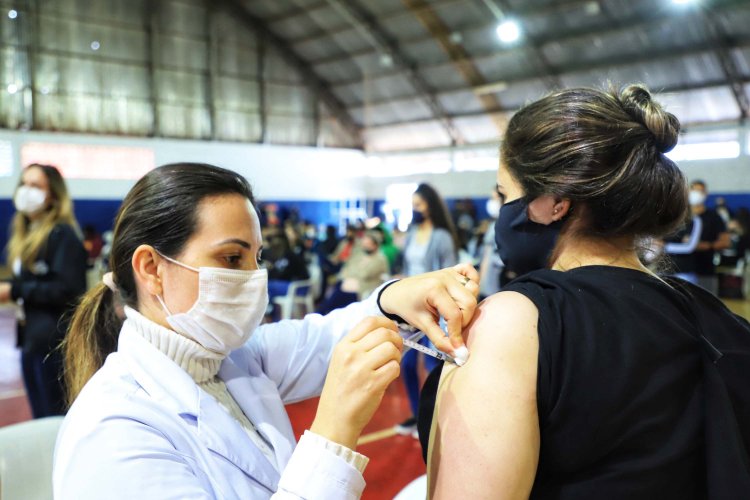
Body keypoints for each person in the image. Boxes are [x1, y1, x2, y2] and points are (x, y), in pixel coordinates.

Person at [54, 163, 478, 499]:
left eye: (257, 258)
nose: (253, 278)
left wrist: (396, 298)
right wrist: (332, 433)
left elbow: (322, 338)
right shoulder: (111, 435)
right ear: (152, 268)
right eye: (232, 259)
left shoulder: (229, 357)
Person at [419, 85, 750, 498]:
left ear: (554, 202)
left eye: (506, 194)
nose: (502, 210)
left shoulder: (514, 321)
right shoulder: (713, 317)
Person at [0, 164, 87, 418]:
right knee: (40, 412)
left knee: (54, 415)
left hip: (53, 341)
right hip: (30, 338)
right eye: (24, 184)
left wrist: (13, 290)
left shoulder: (63, 235)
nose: (27, 191)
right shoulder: (26, 234)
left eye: (36, 186)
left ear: (53, 195)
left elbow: (67, 289)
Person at [396, 183, 459, 438]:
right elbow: (407, 267)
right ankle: (417, 413)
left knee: (434, 363)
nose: (415, 210)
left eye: (419, 205)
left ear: (430, 206)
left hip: (434, 308)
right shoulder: (412, 233)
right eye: (412, 205)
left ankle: (437, 418)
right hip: (411, 309)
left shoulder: (442, 237)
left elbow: (450, 273)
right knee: (408, 364)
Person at [669, 180, 731, 294]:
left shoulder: (714, 216)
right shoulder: (677, 215)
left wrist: (706, 245)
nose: (696, 194)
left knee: (707, 307)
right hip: (678, 270)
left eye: (700, 191)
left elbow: (726, 242)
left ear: (706, 193)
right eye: (693, 190)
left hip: (705, 270)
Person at [317, 230, 389, 315]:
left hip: (365, 288)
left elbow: (364, 274)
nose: (364, 246)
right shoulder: (360, 254)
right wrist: (347, 278)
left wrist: (351, 277)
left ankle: (323, 312)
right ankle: (324, 312)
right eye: (364, 243)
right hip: (349, 283)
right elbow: (347, 268)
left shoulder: (380, 259)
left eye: (367, 244)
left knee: (337, 297)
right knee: (337, 291)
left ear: (375, 245)